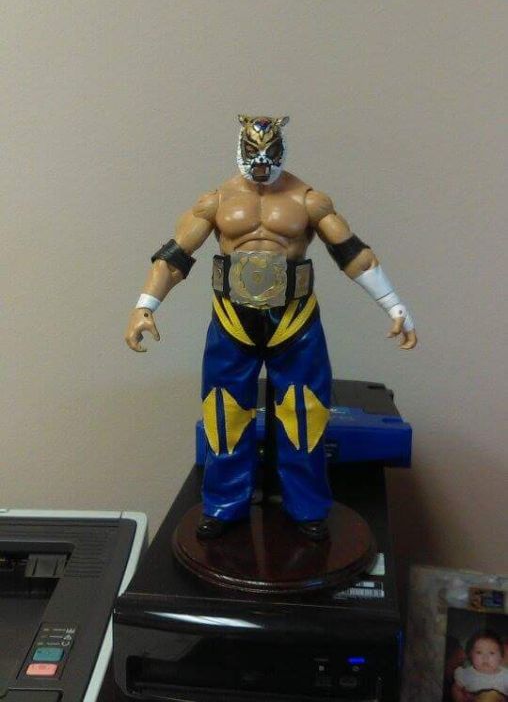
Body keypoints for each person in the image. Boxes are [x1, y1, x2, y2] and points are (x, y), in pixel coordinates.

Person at [125, 115, 417, 540]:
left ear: (281, 149)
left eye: (269, 152)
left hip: (294, 320)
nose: (261, 162)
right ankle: (224, 504)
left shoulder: (308, 200)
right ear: (239, 148)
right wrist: (145, 306)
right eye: (253, 152)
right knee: (224, 414)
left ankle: (307, 506)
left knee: (305, 413)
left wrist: (394, 305)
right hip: (232, 319)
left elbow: (354, 254)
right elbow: (174, 257)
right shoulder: (216, 201)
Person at [452, 629, 508, 702]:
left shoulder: (505, 675)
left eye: (492, 653)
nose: (485, 658)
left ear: (500, 657)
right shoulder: (466, 674)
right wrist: (460, 698)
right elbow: (456, 688)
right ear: (471, 655)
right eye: (479, 652)